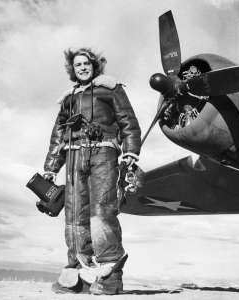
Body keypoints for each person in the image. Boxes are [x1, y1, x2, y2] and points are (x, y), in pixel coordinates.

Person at [43, 47, 141, 295]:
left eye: (86, 63)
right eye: (77, 65)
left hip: (103, 153)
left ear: (94, 65)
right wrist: (51, 168)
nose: (82, 68)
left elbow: (128, 122)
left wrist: (130, 152)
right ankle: (76, 275)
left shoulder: (111, 89)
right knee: (74, 215)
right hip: (74, 155)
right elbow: (58, 135)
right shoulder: (68, 99)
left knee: (101, 212)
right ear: (72, 69)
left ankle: (110, 276)